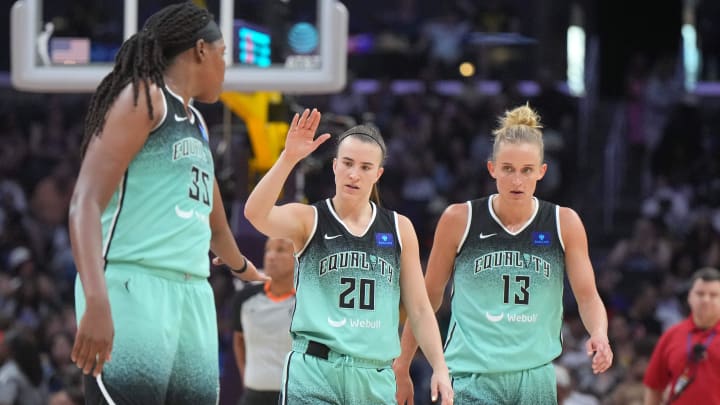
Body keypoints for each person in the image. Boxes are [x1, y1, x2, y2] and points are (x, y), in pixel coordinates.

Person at [67, 3, 265, 404]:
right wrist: (97, 298)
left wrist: (249, 271)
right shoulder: (145, 100)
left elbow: (216, 226)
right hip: (133, 287)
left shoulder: (197, 122)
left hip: (192, 294)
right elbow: (84, 202)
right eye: (223, 54)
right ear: (200, 50)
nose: (226, 67)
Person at [393, 104, 613, 404]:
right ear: (492, 168)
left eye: (526, 170)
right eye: (508, 169)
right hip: (472, 375)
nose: (517, 180)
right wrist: (402, 363)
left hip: (535, 377)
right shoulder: (460, 219)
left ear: (541, 171)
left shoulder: (564, 223)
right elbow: (427, 299)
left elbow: (587, 297)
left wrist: (599, 333)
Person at [244, 109, 453, 404]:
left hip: (374, 375)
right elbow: (255, 214)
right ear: (334, 166)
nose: (355, 173)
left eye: (366, 167)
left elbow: (419, 310)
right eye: (348, 163)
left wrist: (440, 367)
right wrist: (288, 158)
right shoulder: (309, 219)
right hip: (315, 371)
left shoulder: (399, 228)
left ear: (378, 174)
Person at [232, 237, 296, 405]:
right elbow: (239, 340)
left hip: (295, 396)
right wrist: (247, 378)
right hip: (253, 395)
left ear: (298, 257)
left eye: (280, 250)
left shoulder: (308, 301)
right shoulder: (245, 298)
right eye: (268, 250)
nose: (271, 256)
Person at [642, 267, 720, 405]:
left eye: (713, 295)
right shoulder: (672, 335)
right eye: (700, 294)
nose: (706, 300)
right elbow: (654, 385)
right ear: (690, 296)